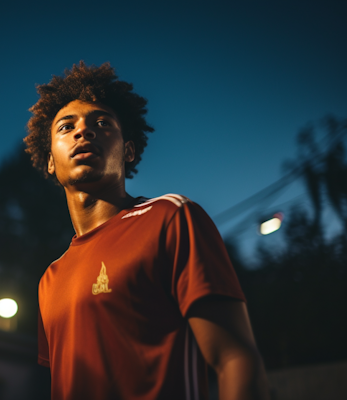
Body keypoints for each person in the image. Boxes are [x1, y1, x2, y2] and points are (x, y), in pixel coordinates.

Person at [24, 62, 269, 400]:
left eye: (101, 123)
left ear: (128, 151)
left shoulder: (171, 218)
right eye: (66, 127)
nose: (83, 132)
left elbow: (235, 358)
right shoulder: (49, 280)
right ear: (51, 159)